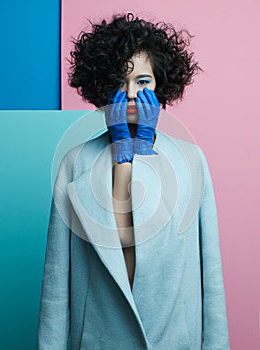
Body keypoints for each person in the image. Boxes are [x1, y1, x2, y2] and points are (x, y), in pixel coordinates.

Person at [37, 12, 230, 350]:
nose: (129, 93)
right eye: (119, 81)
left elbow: (210, 277)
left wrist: (144, 149)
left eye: (142, 82)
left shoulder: (191, 161)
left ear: (160, 84)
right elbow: (57, 285)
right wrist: (124, 154)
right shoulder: (74, 163)